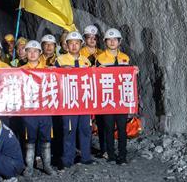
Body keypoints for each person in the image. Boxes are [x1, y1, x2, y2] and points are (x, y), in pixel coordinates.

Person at [55, 31, 94, 168]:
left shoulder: (86, 61)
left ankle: (86, 156)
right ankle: (68, 159)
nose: (74, 46)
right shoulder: (60, 60)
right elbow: (53, 78)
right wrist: (61, 70)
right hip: (68, 101)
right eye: (71, 43)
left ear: (80, 44)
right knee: (69, 130)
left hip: (84, 100)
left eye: (77, 43)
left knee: (85, 129)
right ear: (66, 45)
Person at [95, 28, 132, 165]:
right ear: (105, 42)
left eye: (115, 39)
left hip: (121, 99)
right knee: (108, 127)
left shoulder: (125, 57)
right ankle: (110, 154)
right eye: (109, 39)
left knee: (122, 128)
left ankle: (122, 155)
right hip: (107, 98)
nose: (112, 42)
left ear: (119, 41)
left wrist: (134, 72)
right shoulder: (100, 58)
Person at [19, 40, 55, 176]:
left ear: (40, 53)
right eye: (29, 51)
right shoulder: (20, 71)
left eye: (35, 51)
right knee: (30, 138)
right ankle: (29, 166)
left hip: (45, 109)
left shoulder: (48, 70)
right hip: (29, 109)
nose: (33, 54)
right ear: (26, 53)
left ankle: (47, 165)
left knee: (46, 138)